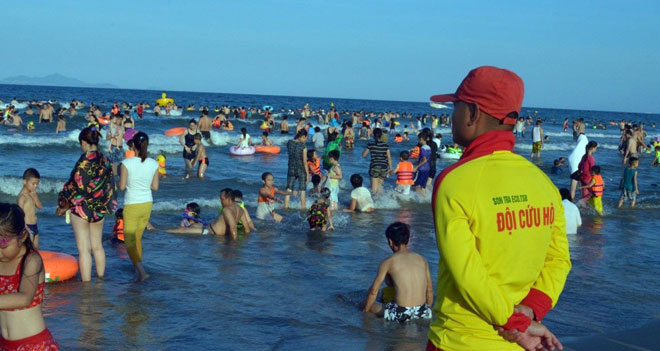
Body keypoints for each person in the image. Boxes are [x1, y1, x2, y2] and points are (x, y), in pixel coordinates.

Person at [427, 66, 569, 351]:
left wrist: (516, 324)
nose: (451, 116)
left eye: (456, 106)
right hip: (517, 343)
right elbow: (559, 259)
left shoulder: (455, 180)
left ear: (474, 112)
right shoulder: (542, 182)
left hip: (459, 340)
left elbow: (467, 273)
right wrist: (531, 309)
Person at [57, 127, 116, 282]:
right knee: (97, 246)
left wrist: (63, 202)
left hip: (81, 209)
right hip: (99, 208)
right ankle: (101, 280)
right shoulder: (105, 160)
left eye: (80, 143)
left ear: (84, 142)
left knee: (84, 250)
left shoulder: (83, 162)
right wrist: (108, 204)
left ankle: (87, 286)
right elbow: (110, 184)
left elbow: (74, 185)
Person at [0, 203, 59, 350]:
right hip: (5, 344)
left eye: (3, 247)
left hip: (33, 345)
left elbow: (24, 298)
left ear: (23, 235)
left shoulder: (31, 260)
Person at [362, 222, 433, 323]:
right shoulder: (422, 259)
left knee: (365, 304)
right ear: (407, 240)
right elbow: (429, 289)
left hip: (401, 313)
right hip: (423, 311)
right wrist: (427, 310)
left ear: (390, 241)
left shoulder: (388, 262)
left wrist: (366, 311)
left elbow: (374, 291)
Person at [119, 132, 159, 281]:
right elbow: (155, 187)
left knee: (129, 241)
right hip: (147, 204)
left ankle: (142, 272)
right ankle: (137, 269)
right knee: (137, 238)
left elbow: (122, 187)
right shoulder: (154, 163)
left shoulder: (126, 163)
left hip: (132, 204)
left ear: (133, 146)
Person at [17, 168, 43, 249]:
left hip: (35, 226)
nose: (35, 186)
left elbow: (40, 207)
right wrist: (26, 229)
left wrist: (35, 198)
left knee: (36, 250)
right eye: (33, 184)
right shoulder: (22, 197)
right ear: (25, 182)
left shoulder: (32, 194)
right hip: (27, 228)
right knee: (28, 251)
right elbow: (20, 214)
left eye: (37, 184)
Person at [362, 128, 392, 195]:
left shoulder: (370, 144)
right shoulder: (386, 145)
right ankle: (381, 201)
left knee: (374, 189)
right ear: (381, 135)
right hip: (384, 167)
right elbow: (389, 158)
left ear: (373, 135)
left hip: (375, 166)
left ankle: (375, 202)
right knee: (380, 187)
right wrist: (390, 168)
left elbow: (364, 155)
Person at [285, 130, 308, 210]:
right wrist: (307, 174)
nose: (305, 140)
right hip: (301, 169)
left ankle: (286, 206)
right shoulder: (303, 147)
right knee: (302, 190)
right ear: (303, 137)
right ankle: (303, 208)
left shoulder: (289, 143)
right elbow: (305, 162)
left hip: (291, 168)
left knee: (289, 188)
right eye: (305, 138)